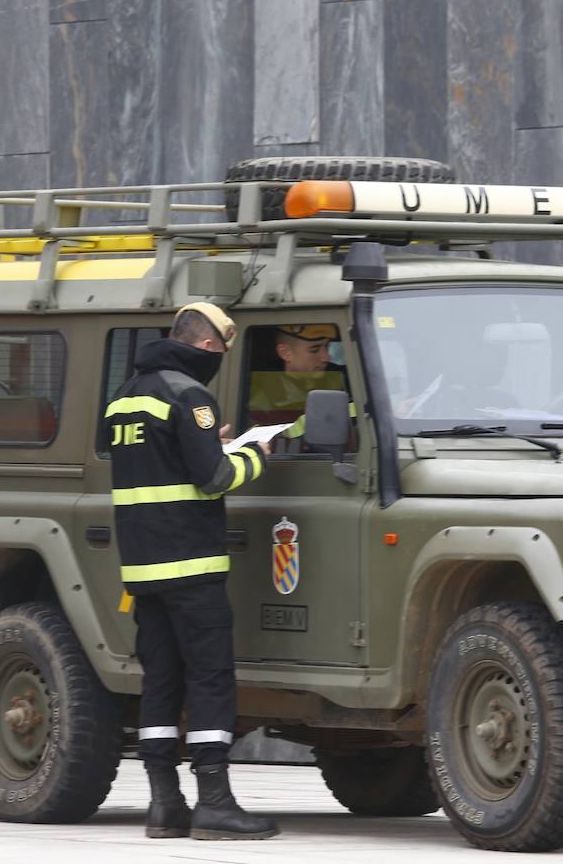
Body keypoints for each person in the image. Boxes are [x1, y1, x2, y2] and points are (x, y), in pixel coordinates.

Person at [104, 302, 279, 841]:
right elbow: (214, 478)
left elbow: (159, 464)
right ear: (207, 346)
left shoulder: (124, 397)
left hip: (144, 568)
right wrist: (255, 455)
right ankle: (215, 804)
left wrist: (208, 446)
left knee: (160, 681)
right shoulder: (189, 395)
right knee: (209, 679)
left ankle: (164, 805)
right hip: (192, 565)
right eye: (221, 351)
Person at [246, 324, 348, 447]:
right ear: (285, 353)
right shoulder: (260, 398)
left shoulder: (345, 382)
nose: (326, 357)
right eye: (314, 350)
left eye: (327, 347)